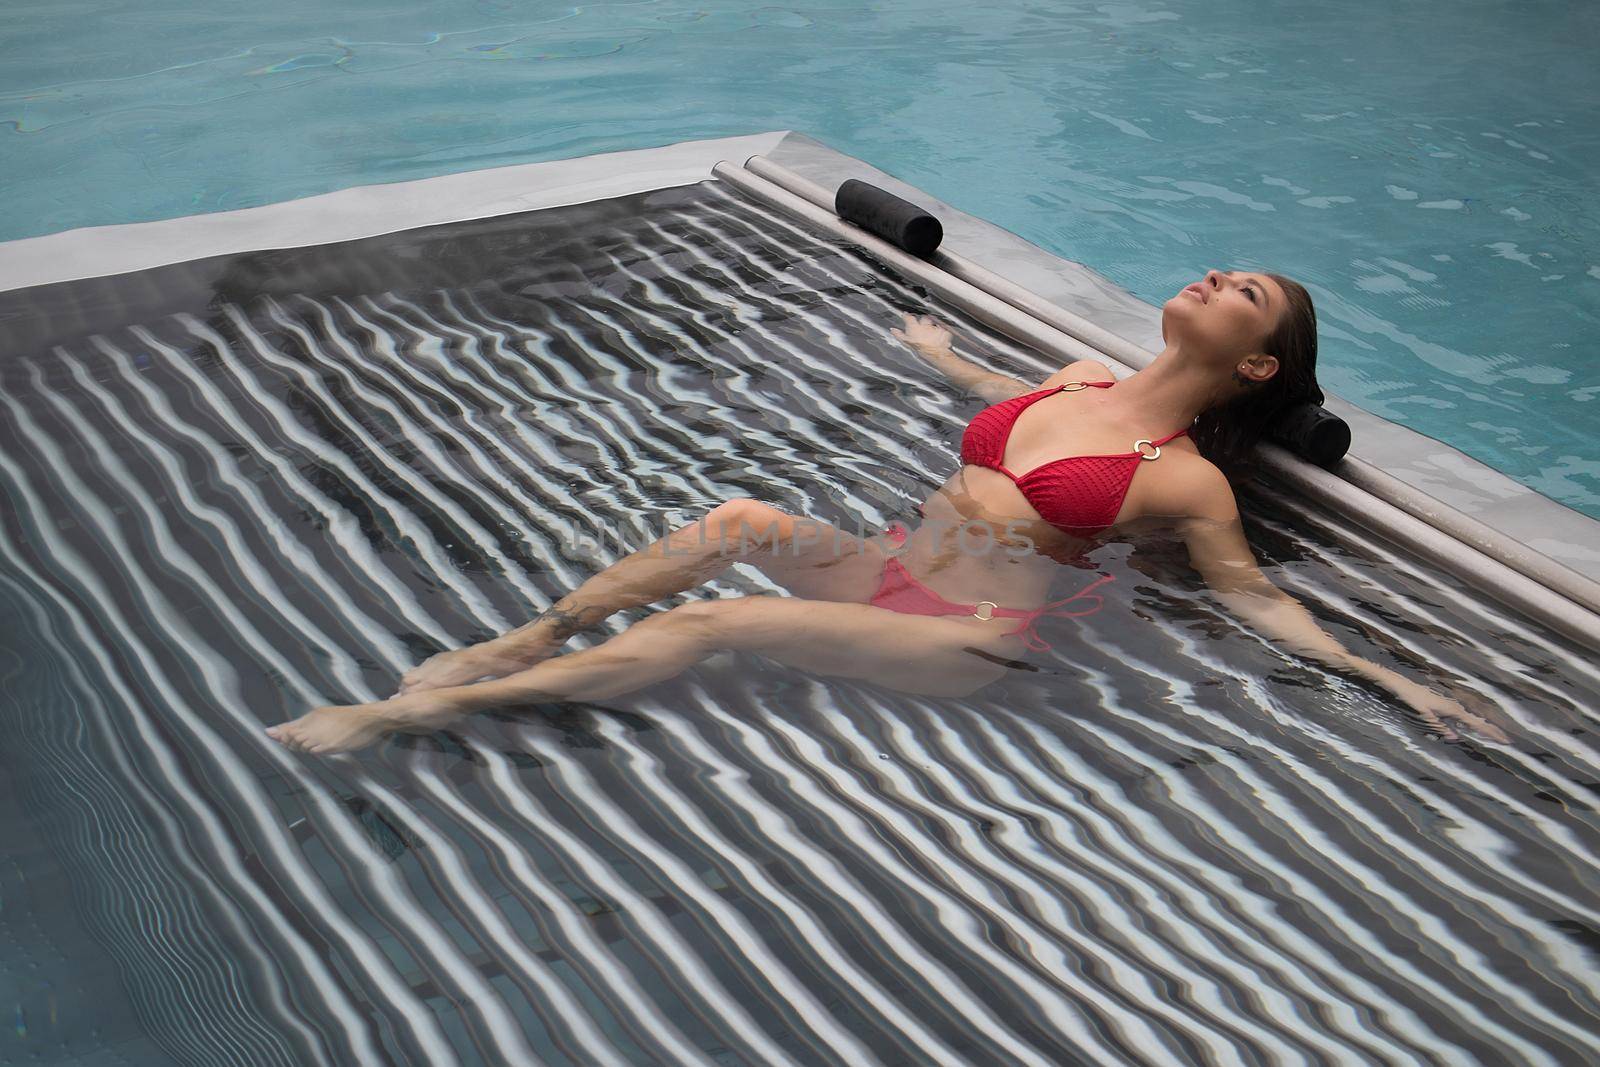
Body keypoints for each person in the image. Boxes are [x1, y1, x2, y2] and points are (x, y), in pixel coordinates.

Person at [266, 269, 1507, 753]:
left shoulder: (1184, 475)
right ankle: (532, 638)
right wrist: (938, 352)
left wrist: (1393, 684)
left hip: (963, 632)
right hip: (887, 569)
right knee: (737, 516)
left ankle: (410, 714)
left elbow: (1253, 593)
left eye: (1251, 295)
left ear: (1255, 366)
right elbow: (992, 393)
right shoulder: (1073, 378)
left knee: (725, 620)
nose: (1219, 276)